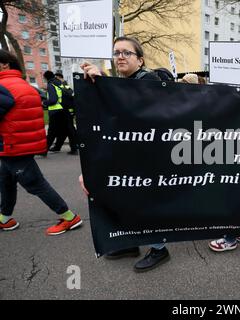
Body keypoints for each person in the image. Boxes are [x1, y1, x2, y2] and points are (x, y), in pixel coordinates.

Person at [80, 36, 171, 273]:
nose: (120, 56)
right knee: (125, 200)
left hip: (148, 159)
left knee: (146, 204)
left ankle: (159, 248)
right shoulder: (123, 83)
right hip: (127, 157)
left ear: (140, 60)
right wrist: (99, 84)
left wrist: (104, 85)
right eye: (116, 52)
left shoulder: (148, 80)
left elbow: (135, 111)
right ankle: (130, 242)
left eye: (126, 53)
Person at [0, 49, 82, 234]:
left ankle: (69, 217)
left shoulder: (3, 85)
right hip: (18, 142)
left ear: (5, 64)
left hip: (13, 144)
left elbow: (50, 100)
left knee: (35, 183)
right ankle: (5, 218)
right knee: (5, 181)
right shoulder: (22, 84)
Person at [42, 71, 78, 154]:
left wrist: (44, 103)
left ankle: (44, 150)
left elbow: (53, 100)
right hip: (65, 110)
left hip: (55, 111)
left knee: (52, 131)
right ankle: (73, 148)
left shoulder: (51, 85)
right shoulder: (61, 83)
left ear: (46, 77)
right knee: (67, 130)